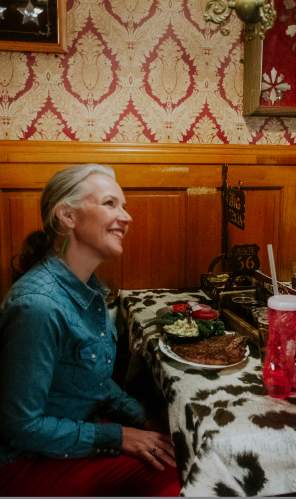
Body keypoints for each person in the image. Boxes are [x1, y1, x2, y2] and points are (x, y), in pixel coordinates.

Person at [0, 164, 181, 496]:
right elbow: (20, 427)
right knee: (173, 478)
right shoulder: (38, 306)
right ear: (67, 216)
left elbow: (90, 379)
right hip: (25, 460)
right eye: (110, 204)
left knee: (176, 450)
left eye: (123, 206)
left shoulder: (90, 290)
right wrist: (118, 437)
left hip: (70, 432)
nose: (127, 217)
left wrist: (140, 418)